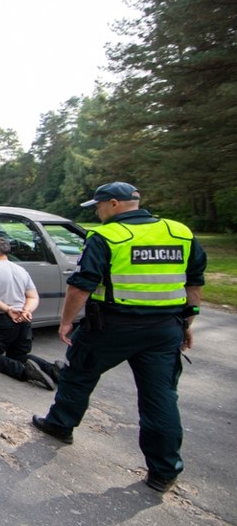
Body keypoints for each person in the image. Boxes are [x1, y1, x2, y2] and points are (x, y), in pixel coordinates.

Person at [31, 182, 207, 494]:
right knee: (161, 398)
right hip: (165, 328)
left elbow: (81, 285)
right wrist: (187, 322)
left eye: (98, 206)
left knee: (78, 374)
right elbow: (193, 284)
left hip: (112, 326)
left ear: (114, 204)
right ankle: (164, 472)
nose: (97, 212)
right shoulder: (179, 232)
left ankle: (60, 424)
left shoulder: (106, 236)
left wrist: (67, 322)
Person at [0, 237, 58, 390]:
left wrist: (8, 309)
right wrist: (26, 311)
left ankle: (24, 372)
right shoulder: (21, 270)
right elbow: (33, 297)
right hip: (23, 321)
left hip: (1, 319)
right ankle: (54, 370)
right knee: (18, 356)